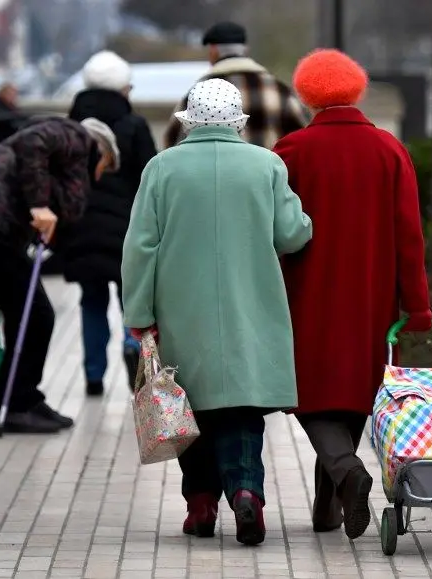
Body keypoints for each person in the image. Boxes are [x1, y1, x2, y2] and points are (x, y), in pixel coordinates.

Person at [122, 79, 313, 545]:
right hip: (250, 307)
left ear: (189, 120)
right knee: (242, 410)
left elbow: (141, 247)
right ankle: (247, 492)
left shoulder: (161, 168)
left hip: (179, 310)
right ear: (237, 123)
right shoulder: (266, 164)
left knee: (192, 410)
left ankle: (201, 504)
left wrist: (139, 312)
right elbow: (292, 234)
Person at [272, 49, 432, 540]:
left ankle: (345, 473)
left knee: (311, 392)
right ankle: (330, 505)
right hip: (372, 295)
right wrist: (418, 305)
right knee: (353, 392)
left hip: (308, 293)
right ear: (356, 89)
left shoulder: (291, 151)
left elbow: (274, 229)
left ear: (307, 93)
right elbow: (410, 233)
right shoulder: (388, 149)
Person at [0, 116, 120, 434]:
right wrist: (39, 206)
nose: (100, 174)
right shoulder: (76, 136)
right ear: (100, 150)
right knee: (36, 314)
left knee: (27, 311)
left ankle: (24, 399)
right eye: (105, 164)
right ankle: (16, 405)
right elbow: (31, 143)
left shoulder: (58, 162)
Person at [58, 51, 158, 397]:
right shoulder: (135, 126)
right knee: (132, 301)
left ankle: (93, 374)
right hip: (126, 231)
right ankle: (133, 354)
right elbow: (150, 179)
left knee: (91, 300)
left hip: (81, 228)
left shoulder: (70, 128)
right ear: (123, 89)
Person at [162, 21, 308, 150]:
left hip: (214, 179)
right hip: (267, 179)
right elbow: (302, 140)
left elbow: (172, 143)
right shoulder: (279, 90)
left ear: (213, 51)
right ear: (246, 49)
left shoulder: (198, 93)